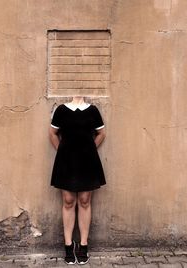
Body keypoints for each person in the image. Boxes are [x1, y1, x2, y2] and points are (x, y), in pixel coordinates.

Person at [49, 95, 106, 265]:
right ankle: (68, 246)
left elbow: (101, 133)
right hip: (66, 162)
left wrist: (88, 150)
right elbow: (52, 133)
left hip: (87, 161)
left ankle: (83, 245)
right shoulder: (61, 110)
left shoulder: (93, 110)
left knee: (84, 200)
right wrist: (64, 152)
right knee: (68, 200)